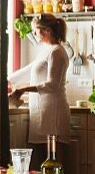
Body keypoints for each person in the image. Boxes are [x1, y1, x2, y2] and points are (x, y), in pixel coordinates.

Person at [9, 13, 71, 166]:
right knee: (42, 158)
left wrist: (24, 88)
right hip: (42, 110)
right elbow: (30, 69)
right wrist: (8, 80)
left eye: (36, 31)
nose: (34, 34)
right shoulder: (46, 50)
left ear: (47, 31)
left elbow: (53, 84)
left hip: (53, 111)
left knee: (53, 157)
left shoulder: (57, 52)